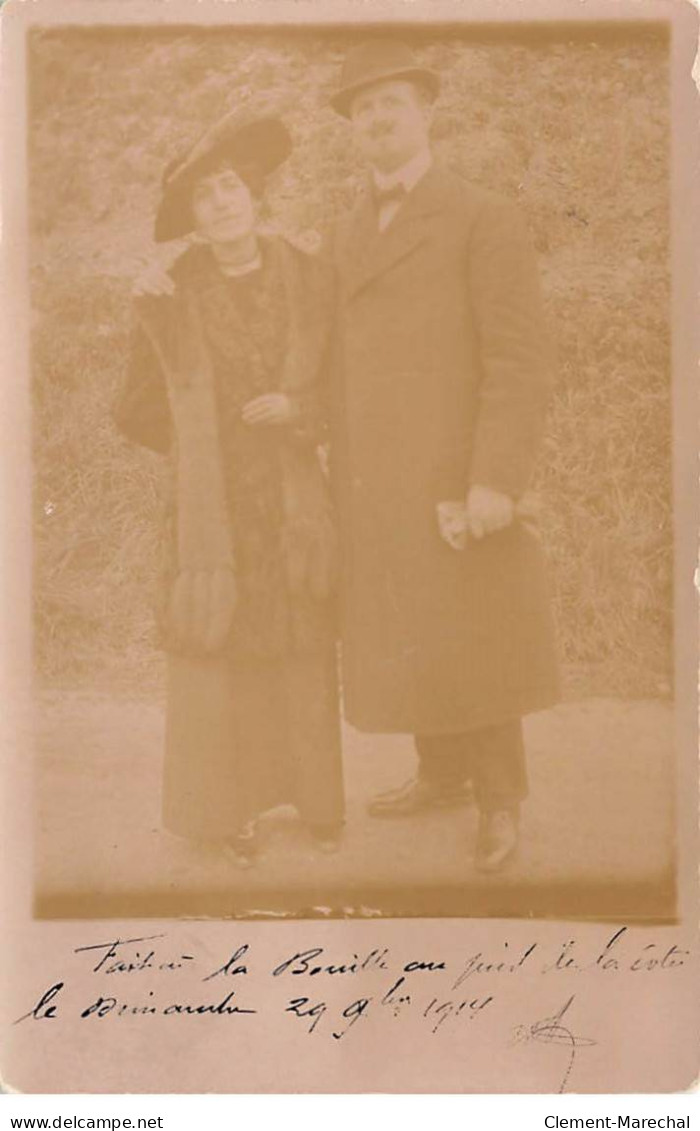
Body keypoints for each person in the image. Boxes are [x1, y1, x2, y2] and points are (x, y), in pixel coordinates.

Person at [326, 40, 560, 871]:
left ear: (425, 113)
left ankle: (500, 800)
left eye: (391, 102)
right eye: (362, 109)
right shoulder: (348, 226)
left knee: (478, 633)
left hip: (458, 471)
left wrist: (496, 476)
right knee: (412, 624)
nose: (377, 120)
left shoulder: (479, 213)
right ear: (353, 129)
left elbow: (518, 358)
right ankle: (442, 771)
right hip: (377, 476)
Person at [114, 110, 345, 865]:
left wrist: (300, 412)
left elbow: (350, 389)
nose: (222, 202)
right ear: (193, 217)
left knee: (303, 643)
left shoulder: (312, 277)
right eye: (205, 195)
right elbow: (133, 407)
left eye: (232, 186)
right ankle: (229, 810)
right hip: (213, 506)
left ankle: (314, 800)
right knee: (225, 648)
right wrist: (197, 431)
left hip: (291, 497)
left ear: (255, 193)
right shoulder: (170, 291)